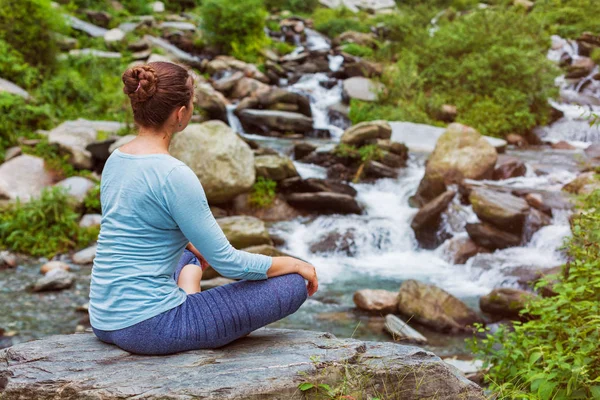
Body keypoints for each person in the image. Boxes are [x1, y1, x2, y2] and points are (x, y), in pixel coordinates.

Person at [89, 61, 318, 355]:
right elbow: (229, 264)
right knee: (293, 284)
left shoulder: (116, 159)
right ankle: (187, 307)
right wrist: (296, 263)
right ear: (180, 114)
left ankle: (187, 289)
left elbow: (137, 227)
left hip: (103, 318)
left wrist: (191, 247)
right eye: (192, 103)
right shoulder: (174, 174)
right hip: (151, 327)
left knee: (188, 257)